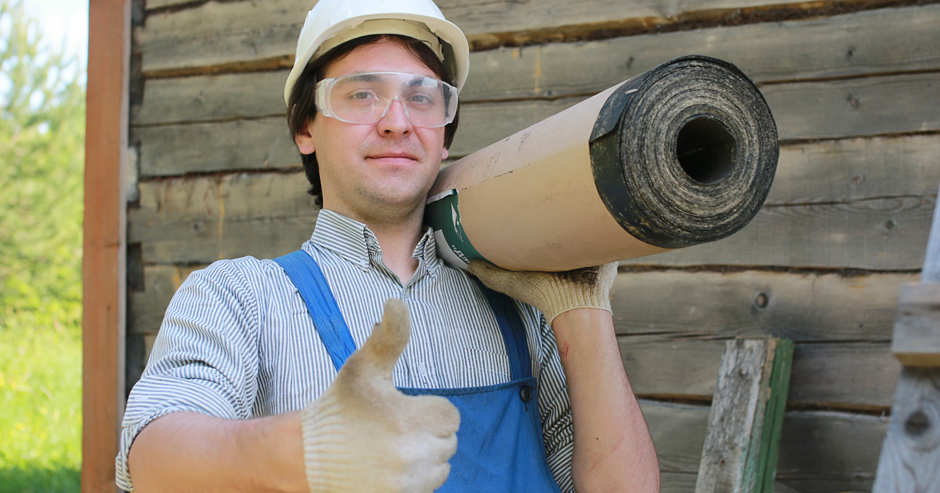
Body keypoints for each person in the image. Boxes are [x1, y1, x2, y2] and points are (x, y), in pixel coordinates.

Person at [115, 0, 660, 491]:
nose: (397, 122)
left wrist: (581, 310)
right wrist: (298, 451)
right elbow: (152, 458)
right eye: (362, 94)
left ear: (445, 132)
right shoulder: (240, 297)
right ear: (306, 126)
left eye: (421, 97)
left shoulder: (523, 307)